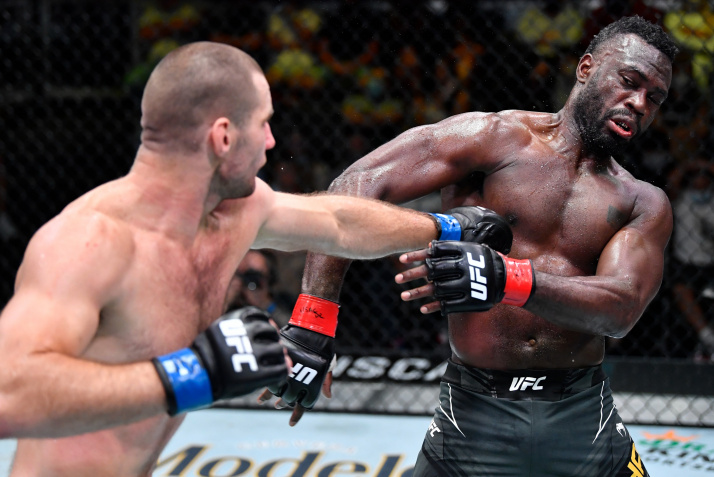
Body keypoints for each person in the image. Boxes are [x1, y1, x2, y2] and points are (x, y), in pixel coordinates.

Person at [0, 41, 499, 476]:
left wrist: (449, 227)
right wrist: (197, 374)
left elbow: (338, 222)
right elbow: (8, 394)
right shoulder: (90, 243)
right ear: (223, 136)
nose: (271, 141)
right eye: (263, 123)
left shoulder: (234, 211)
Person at [262, 16, 678, 476]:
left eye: (654, 98)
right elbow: (358, 183)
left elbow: (621, 307)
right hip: (471, 415)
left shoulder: (642, 202)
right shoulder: (495, 140)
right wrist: (313, 320)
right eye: (629, 82)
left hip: (584, 419)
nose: (638, 103)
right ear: (586, 68)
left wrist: (507, 279)